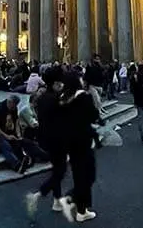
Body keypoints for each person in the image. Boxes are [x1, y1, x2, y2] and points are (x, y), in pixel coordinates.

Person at [25, 69, 68, 217]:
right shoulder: (56, 99)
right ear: (55, 83)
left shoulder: (42, 98)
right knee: (60, 171)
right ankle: (37, 195)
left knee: (57, 168)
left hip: (46, 139)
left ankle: (57, 201)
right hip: (58, 139)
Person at [59, 73, 100, 222]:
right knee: (89, 175)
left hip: (70, 142)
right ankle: (78, 207)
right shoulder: (83, 97)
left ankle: (80, 206)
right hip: (83, 140)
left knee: (78, 174)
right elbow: (93, 115)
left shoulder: (63, 98)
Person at [0, 96, 45, 173]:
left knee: (24, 142)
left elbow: (16, 122)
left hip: (10, 133)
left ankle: (37, 157)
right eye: (13, 106)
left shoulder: (14, 108)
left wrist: (18, 135)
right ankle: (16, 165)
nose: (14, 108)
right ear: (10, 103)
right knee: (6, 145)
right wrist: (7, 136)